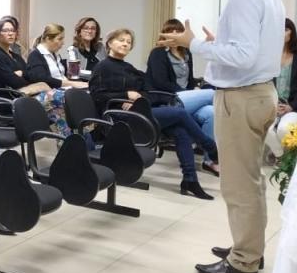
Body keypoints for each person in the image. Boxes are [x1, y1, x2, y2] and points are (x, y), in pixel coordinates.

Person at [159, 0, 285, 273]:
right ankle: (249, 248)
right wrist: (220, 42)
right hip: (259, 92)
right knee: (251, 180)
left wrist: (193, 43)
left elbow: (242, 56)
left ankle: (244, 259)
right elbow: (251, 49)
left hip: (242, 97)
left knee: (238, 183)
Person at [90, 28, 219, 199]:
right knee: (179, 114)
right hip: (119, 119)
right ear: (109, 43)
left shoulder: (129, 68)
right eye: (121, 40)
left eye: (128, 42)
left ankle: (190, 180)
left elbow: (146, 91)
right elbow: (97, 95)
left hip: (139, 113)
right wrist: (124, 96)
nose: (125, 44)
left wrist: (136, 98)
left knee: (180, 131)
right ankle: (209, 146)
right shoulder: (102, 67)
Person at [0, 17, 70, 136]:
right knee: (59, 97)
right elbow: (15, 82)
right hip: (12, 100)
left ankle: (71, 142)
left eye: (12, 30)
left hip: (27, 95)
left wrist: (21, 74)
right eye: (5, 31)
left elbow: (30, 76)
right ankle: (69, 141)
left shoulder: (16, 56)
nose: (10, 33)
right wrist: (22, 76)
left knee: (60, 111)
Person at [146, 18, 215, 140]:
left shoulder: (187, 53)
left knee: (211, 113)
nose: (175, 34)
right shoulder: (158, 53)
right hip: (169, 98)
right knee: (213, 94)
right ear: (165, 34)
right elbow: (160, 82)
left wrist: (195, 87)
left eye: (178, 31)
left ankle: (209, 159)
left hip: (187, 98)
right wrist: (189, 93)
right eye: (171, 31)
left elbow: (189, 80)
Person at [264, 18, 297, 156]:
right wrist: (273, 105)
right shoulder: (270, 55)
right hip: (273, 105)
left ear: (292, 33)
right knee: (263, 128)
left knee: (283, 129)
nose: (282, 33)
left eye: (286, 30)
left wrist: (291, 106)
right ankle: (281, 156)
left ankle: (285, 157)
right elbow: (264, 82)